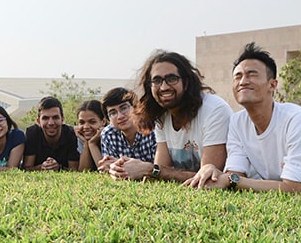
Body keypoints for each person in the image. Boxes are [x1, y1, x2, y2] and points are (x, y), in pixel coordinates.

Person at [185, 42, 301, 192]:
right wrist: (211, 169)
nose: (243, 81)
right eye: (237, 76)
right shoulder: (237, 122)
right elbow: (235, 173)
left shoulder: (298, 119)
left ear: (272, 84)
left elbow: (293, 188)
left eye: (251, 74)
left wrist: (233, 180)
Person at [109, 50, 232, 182]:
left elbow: (209, 179)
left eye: (171, 79)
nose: (163, 87)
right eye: (156, 80)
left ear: (186, 82)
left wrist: (149, 169)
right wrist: (124, 167)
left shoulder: (214, 110)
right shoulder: (161, 115)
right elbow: (160, 172)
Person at [97, 87, 156, 172]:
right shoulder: (108, 134)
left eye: (124, 108)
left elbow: (161, 168)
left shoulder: (151, 129)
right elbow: (112, 168)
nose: (120, 116)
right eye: (113, 113)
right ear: (108, 119)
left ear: (136, 108)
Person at [23, 96, 79, 171]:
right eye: (45, 118)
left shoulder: (71, 134)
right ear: (38, 121)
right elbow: (26, 168)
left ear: (62, 119)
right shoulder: (32, 133)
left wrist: (59, 168)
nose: (51, 123)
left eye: (55, 117)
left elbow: (74, 170)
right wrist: (41, 167)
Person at [75, 100, 105, 172]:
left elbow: (104, 169)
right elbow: (84, 171)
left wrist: (92, 144)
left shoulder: (109, 136)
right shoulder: (81, 137)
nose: (86, 127)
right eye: (82, 122)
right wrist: (86, 144)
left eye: (92, 122)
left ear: (103, 122)